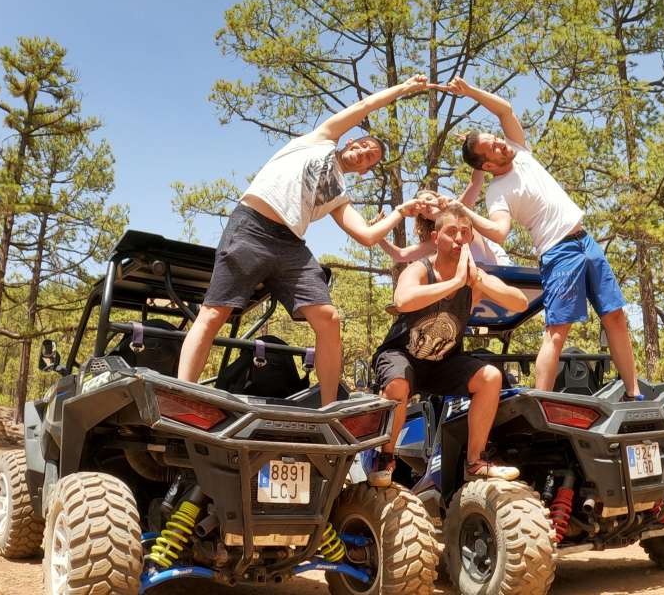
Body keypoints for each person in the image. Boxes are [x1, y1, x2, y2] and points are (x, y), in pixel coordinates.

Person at [178, 75, 430, 406]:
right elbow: (366, 105)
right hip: (252, 226)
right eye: (364, 146)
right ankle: (181, 394)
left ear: (366, 171)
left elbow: (367, 236)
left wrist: (401, 211)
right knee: (214, 313)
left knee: (329, 318)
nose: (366, 153)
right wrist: (405, 88)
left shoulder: (339, 195)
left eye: (372, 158)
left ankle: (328, 408)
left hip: (290, 246)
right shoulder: (320, 140)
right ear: (350, 142)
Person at [433, 76, 642, 400]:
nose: (501, 144)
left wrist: (470, 91)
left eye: (497, 139)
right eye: (493, 147)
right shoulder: (498, 192)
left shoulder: (519, 149)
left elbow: (505, 110)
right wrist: (465, 211)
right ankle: (541, 405)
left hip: (585, 240)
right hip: (558, 251)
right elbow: (500, 232)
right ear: (488, 164)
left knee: (615, 317)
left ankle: (633, 392)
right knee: (557, 331)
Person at [369, 205, 529, 486]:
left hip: (443, 363)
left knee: (490, 377)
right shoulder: (420, 269)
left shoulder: (473, 278)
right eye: (451, 232)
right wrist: (454, 282)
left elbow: (520, 302)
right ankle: (385, 457)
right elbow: (403, 300)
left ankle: (475, 462)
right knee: (397, 386)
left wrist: (476, 280)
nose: (458, 238)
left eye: (464, 233)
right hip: (402, 356)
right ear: (435, 237)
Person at [376, 173, 512, 265]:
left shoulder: (459, 209)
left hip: (501, 269)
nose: (426, 204)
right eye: (421, 205)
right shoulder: (438, 240)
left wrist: (470, 146)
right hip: (477, 281)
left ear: (438, 198)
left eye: (429, 199)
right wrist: (378, 236)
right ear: (423, 216)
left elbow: (476, 182)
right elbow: (401, 255)